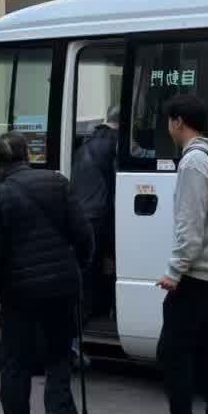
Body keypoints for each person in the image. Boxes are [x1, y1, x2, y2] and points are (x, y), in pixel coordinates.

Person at [0, 131, 91, 414]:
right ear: (28, 155)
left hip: (19, 294)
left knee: (16, 363)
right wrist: (75, 269)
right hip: (62, 287)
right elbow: (84, 235)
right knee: (59, 354)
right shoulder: (58, 183)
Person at [139, 94, 208, 414]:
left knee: (172, 352)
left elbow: (190, 226)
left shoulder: (193, 162)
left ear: (177, 121)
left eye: (169, 121)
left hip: (197, 273)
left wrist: (174, 271)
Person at [69, 106, 119, 323]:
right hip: (99, 213)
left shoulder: (87, 142)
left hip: (82, 211)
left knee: (90, 263)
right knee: (101, 263)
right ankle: (94, 309)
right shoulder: (114, 142)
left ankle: (88, 310)